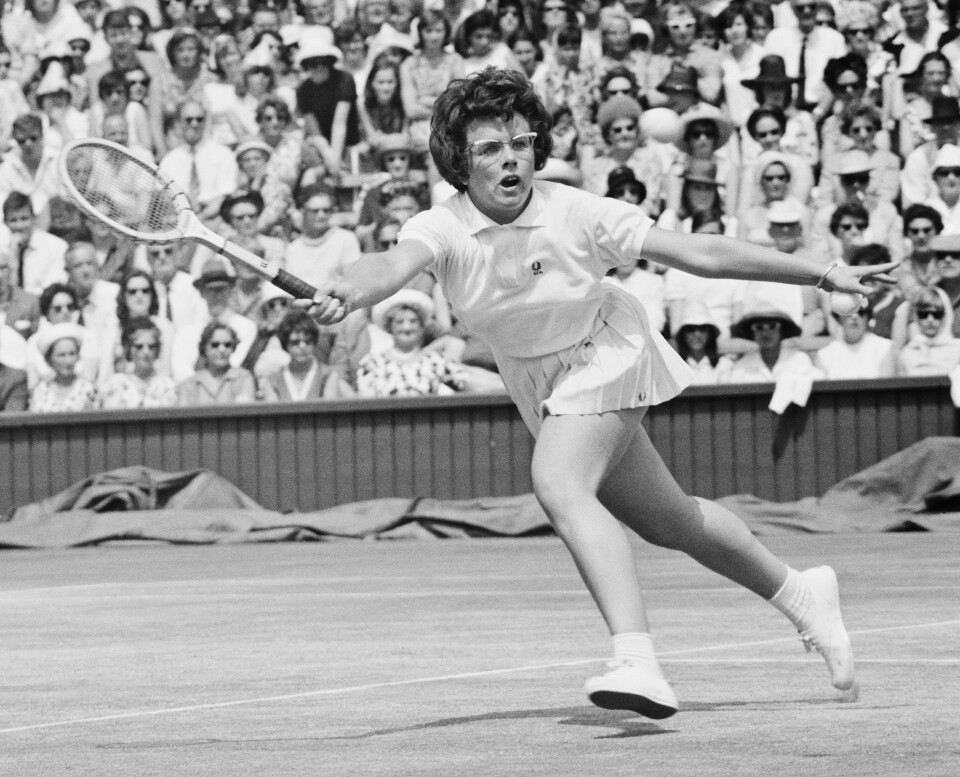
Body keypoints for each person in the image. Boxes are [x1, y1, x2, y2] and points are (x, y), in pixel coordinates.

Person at [304, 68, 894, 717]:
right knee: (670, 520)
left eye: (520, 143)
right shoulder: (440, 226)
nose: (510, 160)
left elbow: (703, 253)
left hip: (605, 349)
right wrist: (352, 289)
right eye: (490, 149)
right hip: (535, 378)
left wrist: (826, 270)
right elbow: (387, 266)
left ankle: (637, 659)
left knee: (558, 482)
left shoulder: (577, 211)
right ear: (458, 163)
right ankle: (802, 592)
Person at [261, 309, 355, 400]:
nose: (302, 346)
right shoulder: (273, 380)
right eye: (295, 342)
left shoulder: (327, 376)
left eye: (308, 341)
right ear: (285, 344)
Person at [98, 317, 178, 408]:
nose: (146, 352)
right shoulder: (115, 385)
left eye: (151, 346)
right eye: (139, 346)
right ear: (129, 349)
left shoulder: (168, 386)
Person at [176, 320, 258, 405]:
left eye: (227, 345)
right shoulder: (190, 384)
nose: (222, 350)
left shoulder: (243, 378)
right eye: (215, 345)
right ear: (204, 348)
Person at [814, 295, 897, 379]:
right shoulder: (825, 355)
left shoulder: (884, 348)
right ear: (839, 317)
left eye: (861, 312)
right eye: (849, 313)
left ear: (868, 318)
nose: (854, 317)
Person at [29, 321, 98, 412]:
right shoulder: (41, 391)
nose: (68, 361)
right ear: (49, 359)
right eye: (61, 355)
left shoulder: (88, 389)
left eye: (72, 354)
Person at [672, 299, 734, 383]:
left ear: (710, 333)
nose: (697, 335)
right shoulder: (673, 369)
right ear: (683, 334)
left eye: (702, 329)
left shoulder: (724, 366)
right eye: (690, 329)